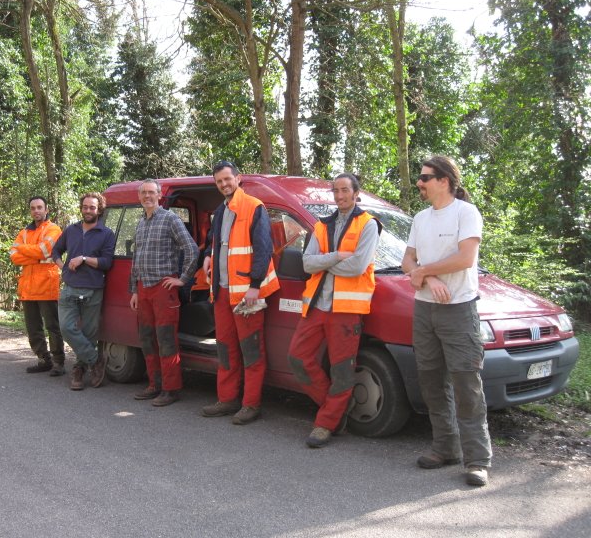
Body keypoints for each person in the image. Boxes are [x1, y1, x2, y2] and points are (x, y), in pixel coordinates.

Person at [401, 155, 492, 487]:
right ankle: (445, 449)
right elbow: (407, 260)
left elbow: (466, 257)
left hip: (459, 310)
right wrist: (426, 278)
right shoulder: (420, 218)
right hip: (425, 309)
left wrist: (425, 271)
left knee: (467, 385)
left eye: (424, 177)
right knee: (431, 382)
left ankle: (478, 460)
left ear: (443, 180)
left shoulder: (466, 213)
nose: (419, 183)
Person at [287, 174, 381, 448]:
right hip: (317, 305)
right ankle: (335, 408)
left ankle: (327, 423)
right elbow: (306, 264)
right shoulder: (321, 226)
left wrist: (324, 262)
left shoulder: (368, 225)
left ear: (356, 193)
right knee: (297, 358)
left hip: (346, 309)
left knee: (342, 370)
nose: (339, 195)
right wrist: (336, 257)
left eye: (344, 190)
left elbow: (357, 267)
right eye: (335, 190)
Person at [200, 161, 280, 425]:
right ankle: (227, 399)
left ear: (238, 178)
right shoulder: (221, 211)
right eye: (219, 181)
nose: (224, 184)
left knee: (251, 351)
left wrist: (255, 287)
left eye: (227, 179)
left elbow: (263, 249)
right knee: (225, 349)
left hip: (248, 294)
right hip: (222, 293)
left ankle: (251, 405)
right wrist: (208, 257)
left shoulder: (254, 207)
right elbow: (216, 241)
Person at [129, 179, 198, 407]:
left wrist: (182, 279)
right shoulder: (140, 223)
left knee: (166, 340)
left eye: (151, 192)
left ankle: (171, 389)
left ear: (159, 195)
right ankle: (154, 385)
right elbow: (136, 260)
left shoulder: (170, 219)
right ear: (139, 197)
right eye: (143, 193)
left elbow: (191, 249)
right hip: (144, 289)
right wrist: (134, 291)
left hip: (163, 289)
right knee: (147, 339)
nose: (147, 196)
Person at [51, 193, 116, 391]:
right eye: (85, 207)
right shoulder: (71, 230)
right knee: (66, 328)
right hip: (69, 288)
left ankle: (78, 370)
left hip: (93, 290)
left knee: (88, 334)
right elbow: (55, 251)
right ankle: (96, 360)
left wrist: (84, 259)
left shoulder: (106, 233)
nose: (88, 210)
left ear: (99, 210)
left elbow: (106, 263)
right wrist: (63, 267)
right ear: (81, 208)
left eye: (92, 207)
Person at [9, 196, 65, 375]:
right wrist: (37, 255)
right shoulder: (25, 231)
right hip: (27, 286)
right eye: (33, 208)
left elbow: (45, 250)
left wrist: (25, 250)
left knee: (52, 326)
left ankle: (58, 363)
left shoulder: (54, 229)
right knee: (33, 328)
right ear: (30, 211)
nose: (36, 211)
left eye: (40, 207)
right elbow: (13, 255)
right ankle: (43, 359)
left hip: (46, 285)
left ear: (46, 209)